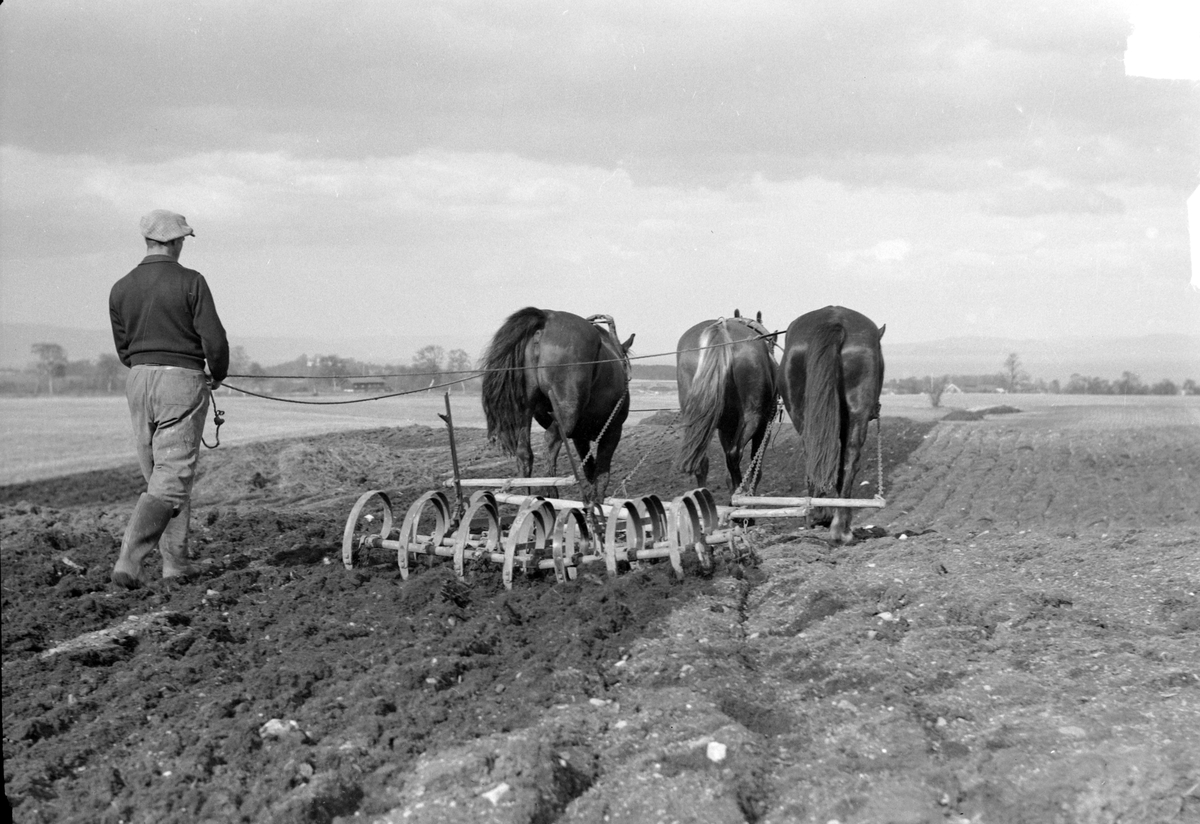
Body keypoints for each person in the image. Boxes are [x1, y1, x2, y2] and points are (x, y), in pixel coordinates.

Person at [108, 210, 229, 589]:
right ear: (176, 242)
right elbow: (215, 339)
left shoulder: (120, 287)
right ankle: (130, 560)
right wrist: (217, 372)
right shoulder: (191, 281)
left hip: (139, 380)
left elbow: (123, 348)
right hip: (181, 382)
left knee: (161, 476)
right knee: (172, 476)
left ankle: (176, 564)